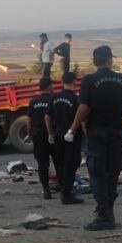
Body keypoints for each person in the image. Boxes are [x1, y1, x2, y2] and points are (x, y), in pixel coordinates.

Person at [65, 45, 122, 231]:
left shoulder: (89, 80)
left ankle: (104, 217)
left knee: (97, 171)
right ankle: (109, 213)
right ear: (109, 60)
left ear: (94, 61)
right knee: (113, 171)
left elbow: (83, 108)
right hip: (117, 132)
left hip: (97, 132)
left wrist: (72, 129)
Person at [46, 72, 84, 205]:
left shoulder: (54, 97)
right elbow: (81, 119)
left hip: (57, 135)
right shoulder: (76, 99)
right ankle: (66, 195)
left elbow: (48, 117)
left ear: (62, 82)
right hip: (71, 136)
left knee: (61, 163)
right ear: (75, 82)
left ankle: (64, 189)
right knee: (71, 164)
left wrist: (51, 133)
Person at [28, 77, 58, 199]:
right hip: (53, 135)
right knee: (58, 161)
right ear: (49, 86)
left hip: (38, 135)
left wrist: (29, 134)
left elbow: (29, 120)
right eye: (53, 85)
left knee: (42, 164)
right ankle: (62, 185)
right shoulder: (54, 99)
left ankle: (46, 190)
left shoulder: (33, 101)